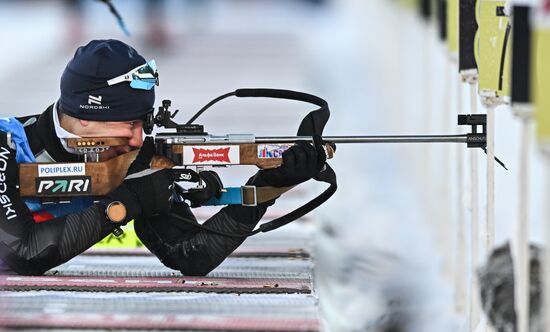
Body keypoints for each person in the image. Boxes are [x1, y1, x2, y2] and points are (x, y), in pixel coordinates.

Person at [0, 39, 327, 276]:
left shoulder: (132, 156)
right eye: (129, 123)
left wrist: (266, 188)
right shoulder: (6, 145)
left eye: (144, 122)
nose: (139, 138)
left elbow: (191, 255)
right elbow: (24, 254)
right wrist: (125, 204)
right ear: (86, 114)